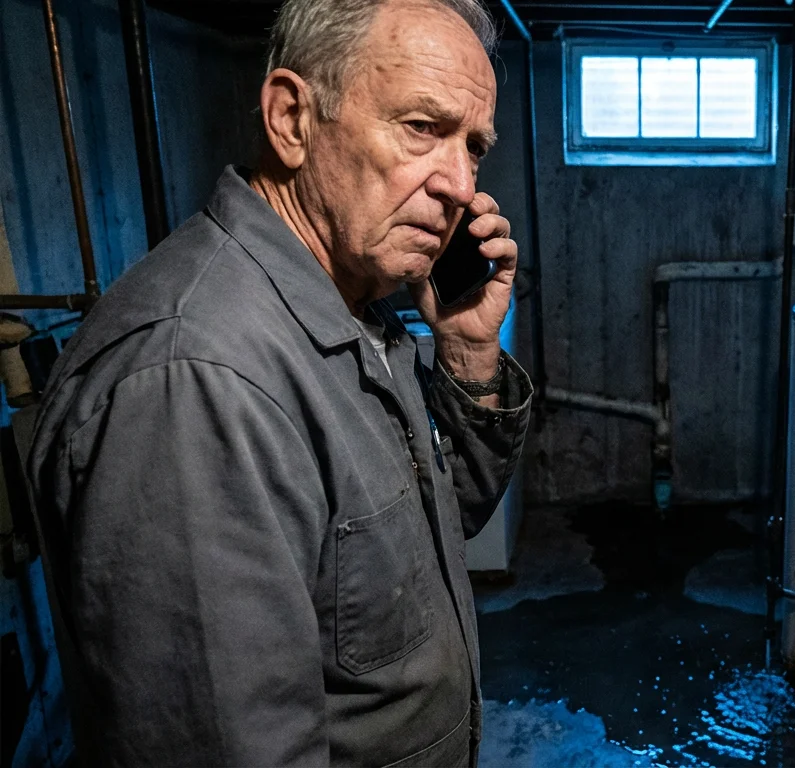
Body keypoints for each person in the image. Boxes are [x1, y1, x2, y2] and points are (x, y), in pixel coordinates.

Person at [25, 0, 527, 764]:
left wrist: (465, 352)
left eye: (474, 146)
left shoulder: (355, 306)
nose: (460, 183)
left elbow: (432, 532)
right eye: (422, 128)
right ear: (292, 118)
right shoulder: (194, 383)